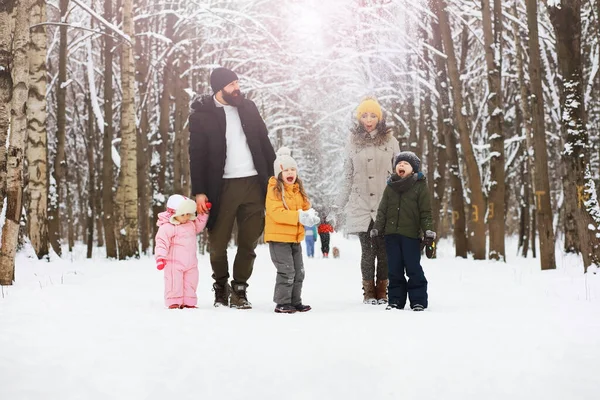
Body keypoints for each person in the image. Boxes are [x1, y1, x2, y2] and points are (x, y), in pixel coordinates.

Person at [188, 67, 276, 309]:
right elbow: (196, 156)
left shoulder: (248, 108)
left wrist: (273, 178)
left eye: (238, 83)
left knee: (249, 242)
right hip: (221, 187)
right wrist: (200, 191)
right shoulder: (201, 116)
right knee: (217, 244)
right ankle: (220, 285)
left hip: (253, 183)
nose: (237, 88)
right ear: (219, 88)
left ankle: (239, 288)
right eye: (232, 85)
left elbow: (265, 143)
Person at [334, 97, 399, 304]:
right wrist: (338, 204)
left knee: (384, 250)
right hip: (360, 204)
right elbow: (348, 175)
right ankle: (368, 292)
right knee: (368, 251)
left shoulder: (390, 140)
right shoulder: (352, 141)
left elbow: (400, 171)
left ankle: (383, 291)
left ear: (379, 118)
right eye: (364, 115)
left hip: (384, 204)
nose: (368, 119)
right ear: (359, 118)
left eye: (372, 115)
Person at [370, 152, 435, 311]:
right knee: (394, 270)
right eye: (399, 163)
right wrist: (377, 228)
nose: (401, 165)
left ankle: (418, 300)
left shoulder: (419, 186)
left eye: (406, 163)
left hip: (411, 236)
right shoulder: (390, 186)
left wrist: (428, 232)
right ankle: (396, 301)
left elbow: (425, 212)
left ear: (413, 169)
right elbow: (382, 211)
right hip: (391, 236)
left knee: (413, 269)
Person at [264, 148, 320, 313]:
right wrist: (299, 216)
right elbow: (276, 213)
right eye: (286, 170)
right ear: (279, 173)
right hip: (279, 238)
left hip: (295, 238)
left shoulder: (297, 190)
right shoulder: (274, 189)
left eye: (293, 169)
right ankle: (282, 302)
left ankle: (295, 301)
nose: (290, 173)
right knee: (286, 270)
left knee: (299, 272)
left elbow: (305, 208)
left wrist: (311, 216)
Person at [155, 194, 209, 309]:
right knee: (174, 283)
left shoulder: (190, 224)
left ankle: (189, 301)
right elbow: (161, 242)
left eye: (187, 214)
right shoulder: (167, 227)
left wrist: (203, 213)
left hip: (191, 263)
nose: (185, 217)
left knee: (191, 282)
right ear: (173, 213)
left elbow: (199, 224)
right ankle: (174, 301)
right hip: (174, 263)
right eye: (182, 214)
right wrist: (160, 257)